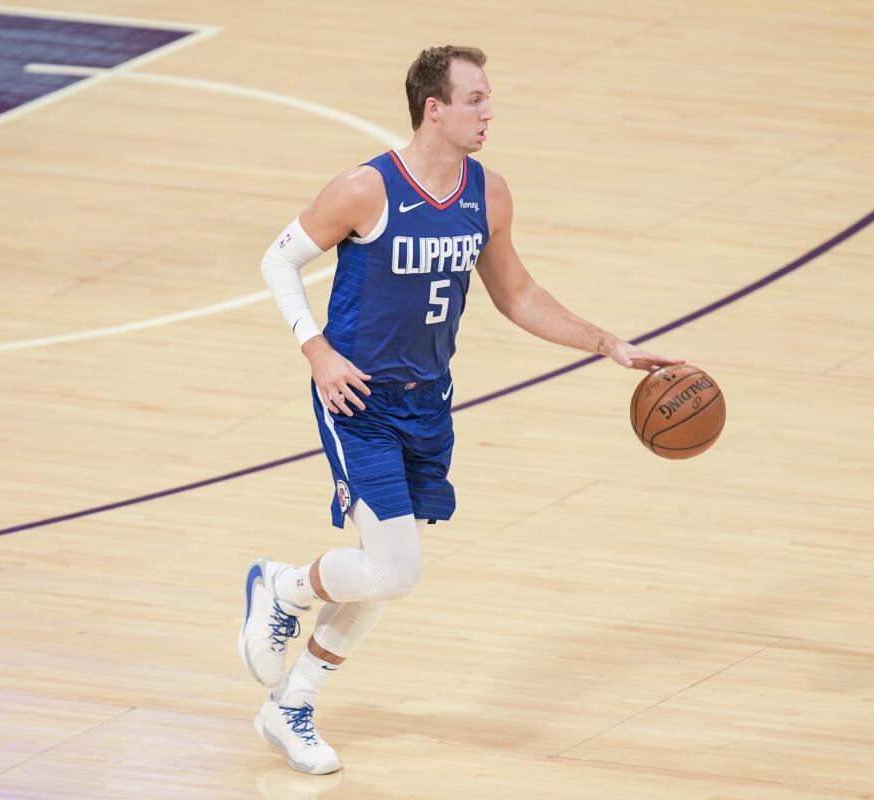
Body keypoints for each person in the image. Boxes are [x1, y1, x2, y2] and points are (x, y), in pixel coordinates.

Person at [241, 45, 683, 775]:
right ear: (433, 108)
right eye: (474, 99)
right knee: (397, 568)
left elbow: (519, 296)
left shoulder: (489, 193)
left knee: (386, 570)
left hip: (430, 404)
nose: (488, 112)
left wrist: (608, 344)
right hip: (359, 400)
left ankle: (292, 704)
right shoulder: (365, 189)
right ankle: (281, 587)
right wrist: (315, 349)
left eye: (488, 98)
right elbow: (277, 260)